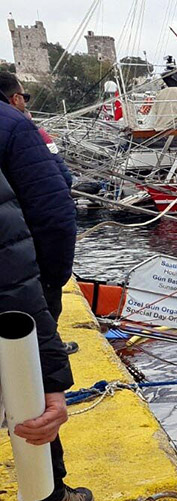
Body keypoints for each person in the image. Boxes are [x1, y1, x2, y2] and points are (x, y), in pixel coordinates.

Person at [0, 75, 91, 501]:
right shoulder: (16, 127)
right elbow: (55, 214)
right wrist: (50, 290)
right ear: (16, 97)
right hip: (15, 298)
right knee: (30, 393)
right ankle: (47, 497)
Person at [0, 72, 79, 354]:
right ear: (16, 98)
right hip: (20, 257)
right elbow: (56, 199)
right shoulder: (22, 129)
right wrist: (55, 273)